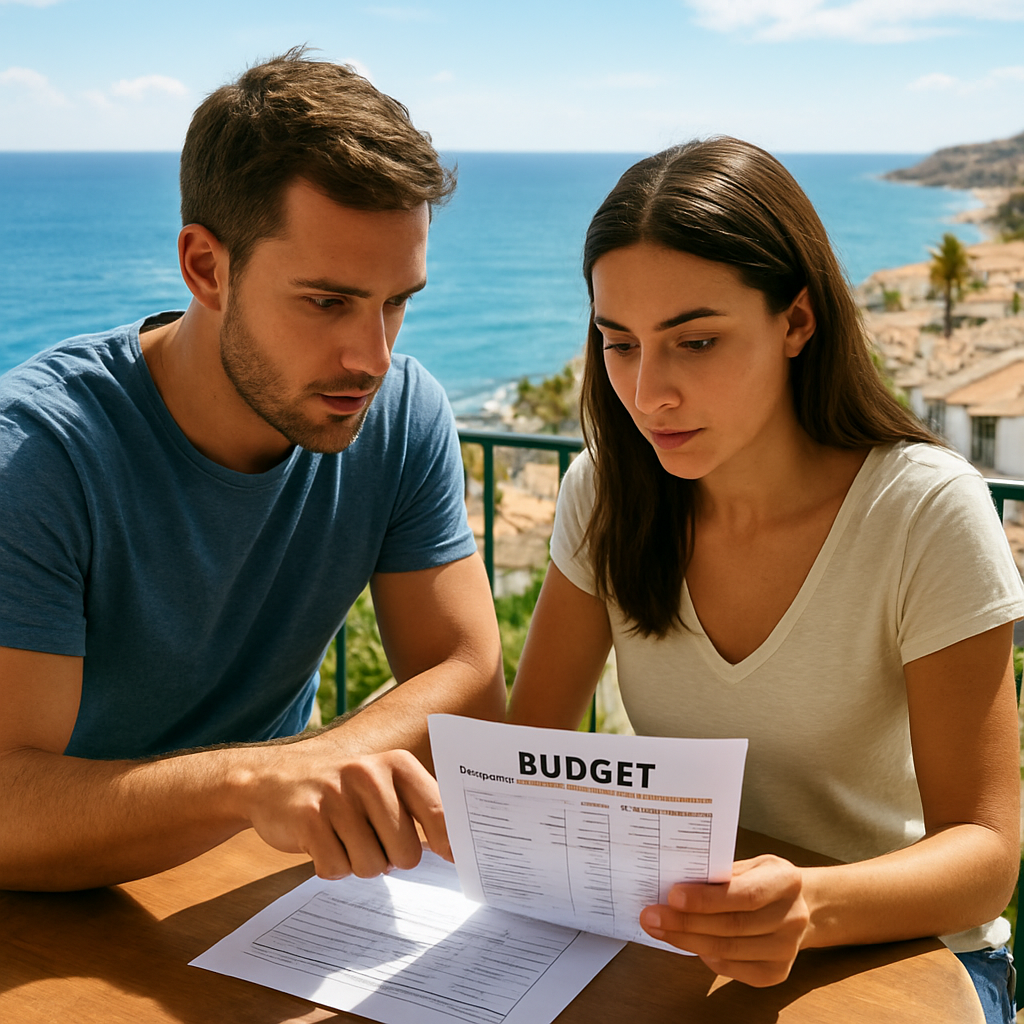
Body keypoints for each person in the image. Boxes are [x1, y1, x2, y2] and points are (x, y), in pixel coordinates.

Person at [506, 138, 1023, 1023]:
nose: (647, 392)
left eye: (696, 341)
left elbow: (985, 853)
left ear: (796, 321)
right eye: (618, 343)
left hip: (910, 962)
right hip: (681, 955)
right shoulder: (605, 492)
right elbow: (527, 760)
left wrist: (810, 906)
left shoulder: (925, 511)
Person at [0, 50, 505, 892]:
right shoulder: (41, 454)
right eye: (327, 301)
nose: (372, 357)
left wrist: (311, 774)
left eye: (397, 301)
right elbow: (9, 810)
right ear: (206, 267)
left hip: (256, 884)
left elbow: (470, 681)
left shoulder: (402, 411)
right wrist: (254, 786)